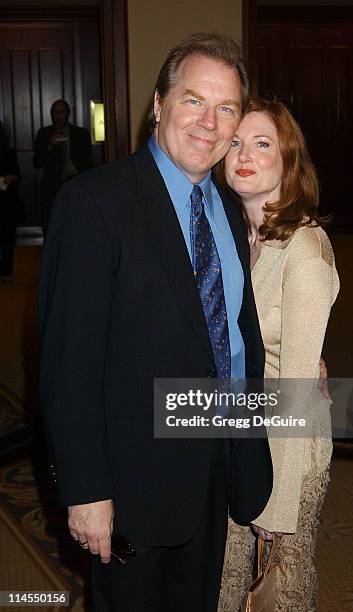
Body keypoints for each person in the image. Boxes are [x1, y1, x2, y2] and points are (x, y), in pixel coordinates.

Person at [39, 34, 273, 612]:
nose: (210, 123)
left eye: (227, 109)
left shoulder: (228, 207)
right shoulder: (95, 203)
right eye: (194, 100)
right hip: (130, 488)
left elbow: (234, 339)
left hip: (215, 471)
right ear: (159, 104)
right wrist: (88, 490)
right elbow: (69, 363)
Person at [218, 98, 340, 611]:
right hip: (237, 425)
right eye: (236, 143)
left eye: (262, 143)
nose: (245, 154)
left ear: (288, 160)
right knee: (224, 573)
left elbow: (295, 396)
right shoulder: (232, 236)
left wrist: (276, 501)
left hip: (287, 449)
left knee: (278, 591)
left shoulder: (305, 252)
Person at [33, 99, 92, 237]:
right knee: (50, 225)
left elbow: (88, 163)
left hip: (76, 183)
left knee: (76, 224)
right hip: (52, 186)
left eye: (62, 112)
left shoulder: (81, 134)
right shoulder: (44, 133)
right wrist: (49, 145)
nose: (58, 116)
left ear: (68, 114)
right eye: (55, 113)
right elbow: (36, 163)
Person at [0, 121, 20, 283]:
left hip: (6, 199)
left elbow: (17, 174)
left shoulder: (9, 152)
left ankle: (6, 271)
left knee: (7, 237)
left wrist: (11, 178)